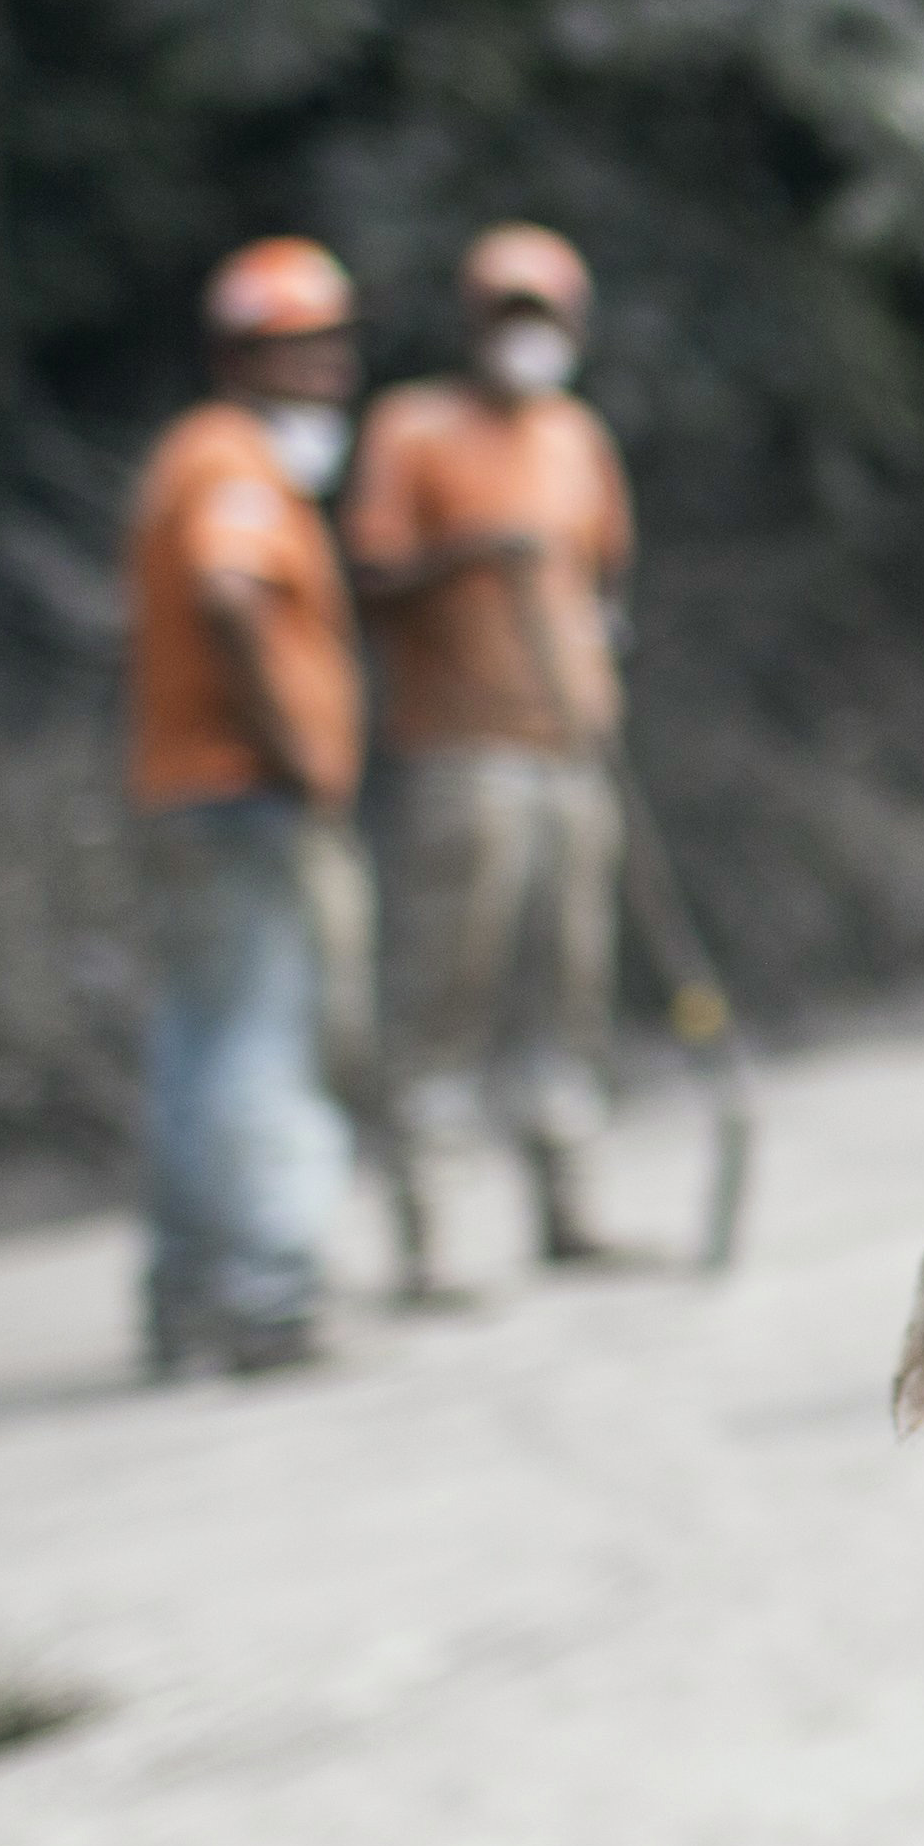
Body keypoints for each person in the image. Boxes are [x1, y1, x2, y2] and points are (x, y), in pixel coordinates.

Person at [342, 223, 638, 1292]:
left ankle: (571, 1205)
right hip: (462, 755)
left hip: (573, 750)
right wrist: (468, 557)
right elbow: (368, 577)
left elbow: (606, 584)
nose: (527, 337)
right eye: (508, 316)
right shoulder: (413, 428)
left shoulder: (578, 439)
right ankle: (432, 1237)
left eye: (543, 317)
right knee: (447, 991)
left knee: (573, 984)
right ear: (474, 324)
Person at [123, 238, 370, 1377]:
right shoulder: (232, 462)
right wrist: (297, 754)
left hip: (188, 797)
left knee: (197, 1045)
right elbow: (229, 593)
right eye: (291, 352)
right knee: (265, 1043)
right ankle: (271, 1296)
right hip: (244, 799)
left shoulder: (204, 453)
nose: (319, 372)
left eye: (328, 346)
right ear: (236, 359)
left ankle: (184, 1302)